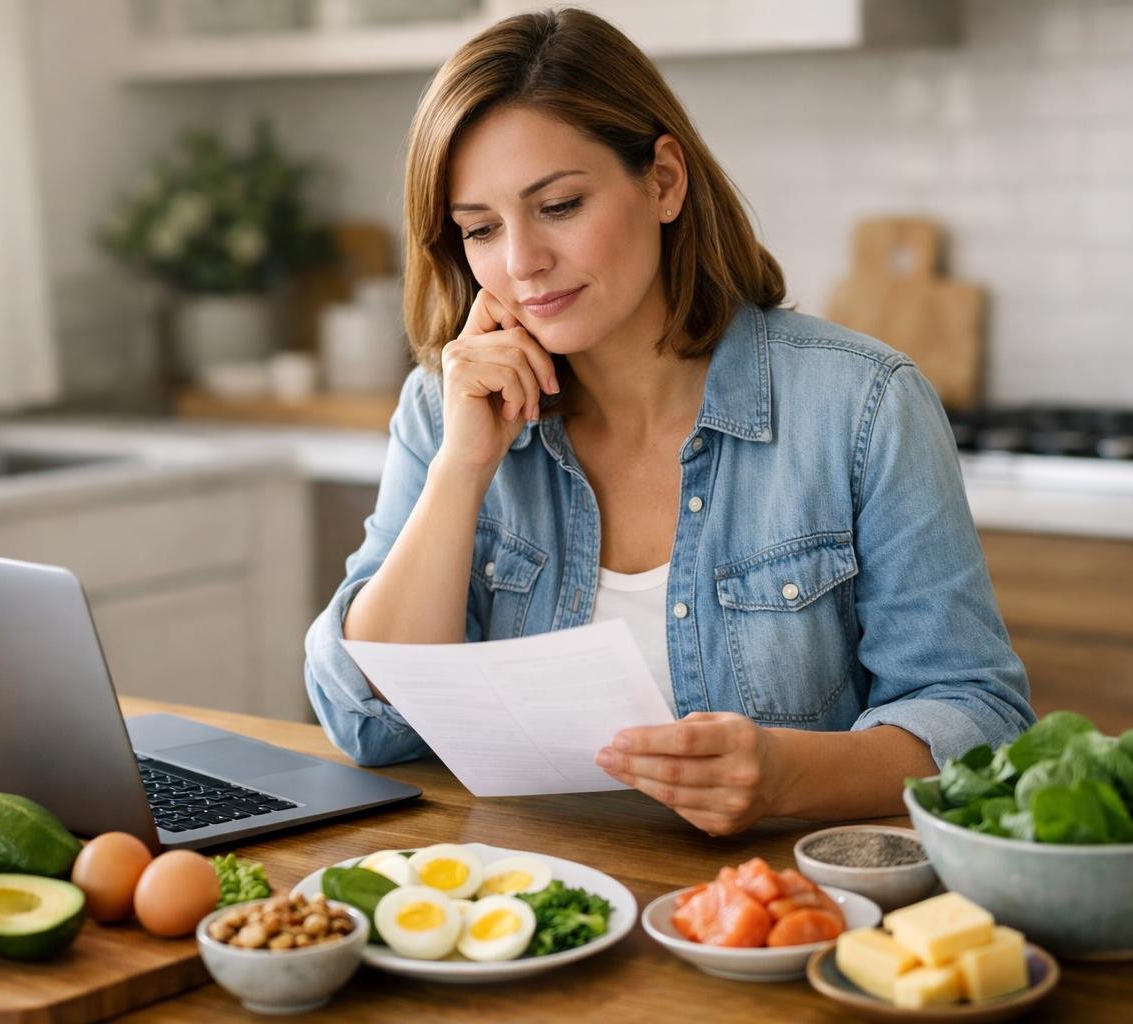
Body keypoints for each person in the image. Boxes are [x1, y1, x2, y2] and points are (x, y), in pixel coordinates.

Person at [304, 7, 1033, 836]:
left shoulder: (862, 407)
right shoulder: (446, 412)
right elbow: (366, 718)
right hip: (527, 906)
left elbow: (980, 719)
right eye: (480, 229)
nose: (520, 262)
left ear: (663, 181)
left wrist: (791, 776)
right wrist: (463, 469)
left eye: (561, 205)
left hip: (776, 921)